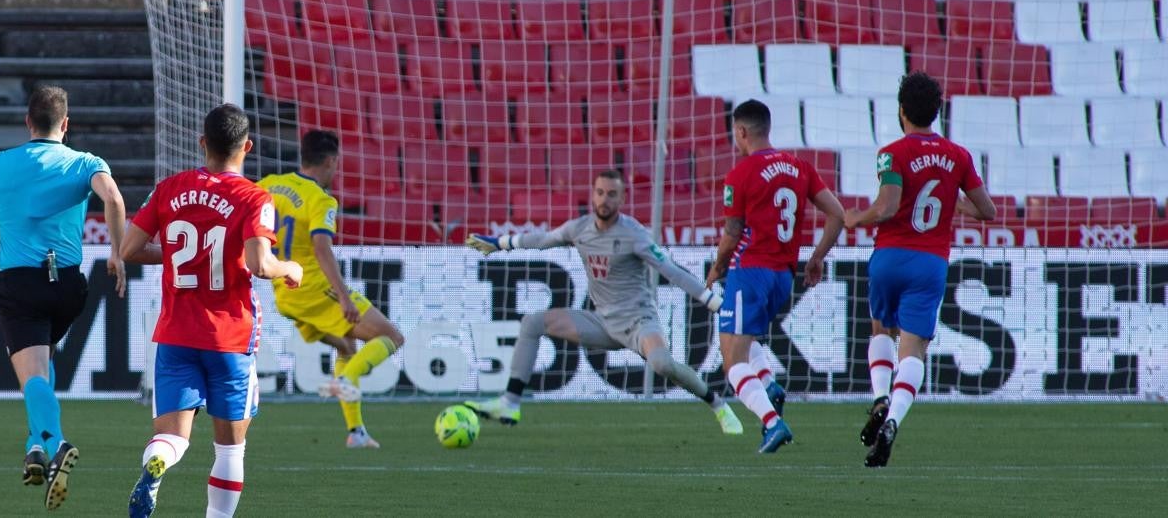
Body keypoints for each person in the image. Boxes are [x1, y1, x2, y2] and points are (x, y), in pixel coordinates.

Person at [121, 104, 303, 517]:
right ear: (247, 147)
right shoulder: (254, 197)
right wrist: (288, 267)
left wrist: (174, 257)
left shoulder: (169, 188)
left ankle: (158, 465)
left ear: (202, 142)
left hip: (176, 335)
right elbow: (260, 265)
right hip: (230, 338)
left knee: (174, 438)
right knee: (230, 449)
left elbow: (129, 249)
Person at [463, 170, 742, 435]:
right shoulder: (580, 228)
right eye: (599, 192)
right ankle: (510, 403)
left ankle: (718, 405)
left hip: (638, 323)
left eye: (611, 194)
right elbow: (543, 239)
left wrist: (713, 301)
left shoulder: (633, 234)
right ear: (592, 195)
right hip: (601, 321)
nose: (604, 199)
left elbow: (671, 270)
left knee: (662, 365)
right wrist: (500, 243)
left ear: (621, 200)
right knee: (532, 323)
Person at [0, 85, 127, 510]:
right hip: (70, 287)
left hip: (21, 285)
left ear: (27, 122)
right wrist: (116, 253)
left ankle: (54, 444)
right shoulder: (85, 162)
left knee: (32, 373)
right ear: (66, 125)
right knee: (43, 358)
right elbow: (113, 198)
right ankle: (34, 446)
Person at [843, 72, 997, 468]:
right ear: (937, 111)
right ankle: (893, 418)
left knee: (881, 328)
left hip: (890, 256)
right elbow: (987, 211)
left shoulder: (891, 153)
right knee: (914, 349)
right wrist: (952, 202)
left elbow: (888, 206)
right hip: (930, 263)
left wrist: (857, 217)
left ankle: (880, 395)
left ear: (901, 111)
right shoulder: (958, 155)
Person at [704, 99, 846, 454]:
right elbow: (838, 215)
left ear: (741, 132)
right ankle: (769, 384)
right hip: (783, 276)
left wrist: (718, 266)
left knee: (732, 363)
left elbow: (733, 232)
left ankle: (772, 423)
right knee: (745, 342)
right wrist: (817, 257)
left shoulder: (740, 173)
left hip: (749, 271)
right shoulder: (799, 167)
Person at [257, 129, 405, 449]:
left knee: (347, 348)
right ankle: (346, 380)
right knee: (392, 337)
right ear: (330, 161)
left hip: (284, 293)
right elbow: (322, 249)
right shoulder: (321, 199)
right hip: (313, 289)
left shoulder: (268, 184)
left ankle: (356, 432)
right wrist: (342, 297)